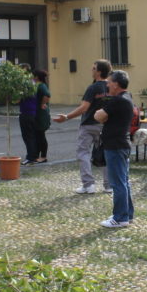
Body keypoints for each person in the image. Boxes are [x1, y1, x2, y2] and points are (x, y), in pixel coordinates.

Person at [54, 60, 111, 194]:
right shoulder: (111, 86)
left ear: (99, 72)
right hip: (104, 125)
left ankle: (88, 184)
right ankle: (109, 185)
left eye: (93, 68)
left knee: (83, 152)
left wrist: (66, 117)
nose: (91, 70)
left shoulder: (93, 88)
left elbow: (84, 107)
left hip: (89, 125)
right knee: (105, 154)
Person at [94, 71, 134, 228]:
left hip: (115, 146)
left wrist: (102, 114)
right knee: (124, 181)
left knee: (117, 183)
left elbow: (98, 116)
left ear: (116, 84)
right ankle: (127, 214)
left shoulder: (117, 100)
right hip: (121, 144)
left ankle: (120, 217)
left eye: (109, 81)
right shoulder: (127, 97)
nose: (107, 84)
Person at [33, 70, 52, 163]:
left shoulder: (42, 86)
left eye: (33, 75)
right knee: (37, 135)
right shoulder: (38, 85)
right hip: (37, 114)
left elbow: (47, 95)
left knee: (41, 135)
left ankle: (44, 156)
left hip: (42, 114)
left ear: (36, 77)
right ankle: (36, 155)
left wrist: (43, 104)